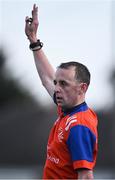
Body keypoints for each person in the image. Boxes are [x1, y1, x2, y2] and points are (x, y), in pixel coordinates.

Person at [25, 4, 98, 179]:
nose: (57, 88)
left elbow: (86, 176)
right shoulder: (68, 111)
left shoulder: (78, 124)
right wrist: (34, 41)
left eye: (64, 84)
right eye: (57, 83)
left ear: (82, 88)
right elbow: (46, 79)